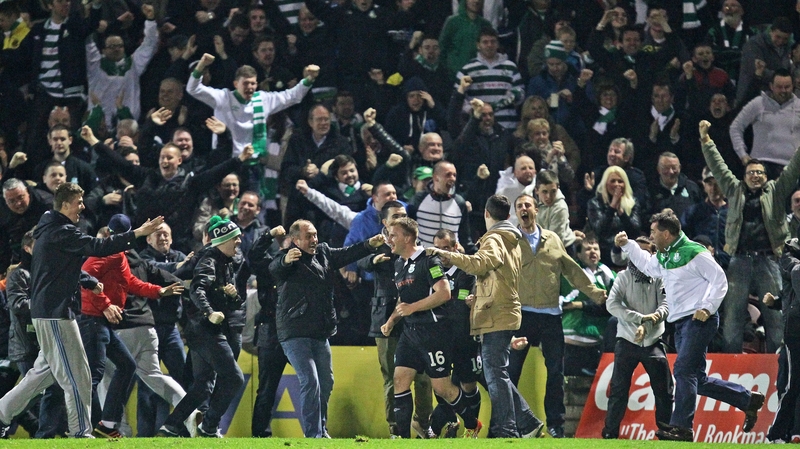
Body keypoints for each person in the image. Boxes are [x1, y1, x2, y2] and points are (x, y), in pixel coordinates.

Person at [0, 182, 163, 438]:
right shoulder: (61, 231)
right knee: (78, 378)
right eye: (79, 202)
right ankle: (80, 434)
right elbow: (97, 247)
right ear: (65, 204)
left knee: (43, 374)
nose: (83, 207)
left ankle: (1, 413)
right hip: (56, 314)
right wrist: (138, 232)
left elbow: (63, 267)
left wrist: (90, 282)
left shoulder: (49, 227)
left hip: (52, 312)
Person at [615, 209, 765, 441]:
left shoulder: (695, 252)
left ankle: (682, 427)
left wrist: (707, 307)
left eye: (654, 232)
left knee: (683, 370)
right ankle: (746, 399)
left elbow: (720, 279)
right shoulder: (666, 255)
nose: (651, 237)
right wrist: (628, 245)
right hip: (681, 324)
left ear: (666, 233)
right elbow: (647, 265)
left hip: (698, 320)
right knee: (697, 379)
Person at [427, 194, 544, 438]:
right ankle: (527, 422)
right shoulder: (511, 238)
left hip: (497, 313)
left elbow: (482, 263)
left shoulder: (494, 238)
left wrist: (449, 256)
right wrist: (478, 297)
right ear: (509, 215)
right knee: (496, 373)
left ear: (486, 215)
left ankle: (506, 430)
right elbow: (497, 276)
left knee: (495, 376)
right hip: (501, 308)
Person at [269, 220, 384, 438]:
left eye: (315, 235)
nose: (314, 239)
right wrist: (285, 259)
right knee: (309, 380)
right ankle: (313, 435)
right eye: (308, 236)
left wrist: (369, 244)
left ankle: (320, 429)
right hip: (294, 331)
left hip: (320, 332)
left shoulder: (323, 252)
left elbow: (348, 253)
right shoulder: (288, 257)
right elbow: (274, 268)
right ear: (295, 240)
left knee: (326, 382)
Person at [79, 214, 185, 437]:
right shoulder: (110, 253)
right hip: (94, 320)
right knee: (94, 376)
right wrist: (106, 304)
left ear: (108, 232)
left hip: (106, 323)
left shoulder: (118, 255)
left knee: (121, 368)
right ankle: (83, 429)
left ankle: (106, 426)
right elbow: (85, 276)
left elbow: (132, 283)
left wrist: (159, 291)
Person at [509, 194, 606, 438]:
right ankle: (510, 422)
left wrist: (593, 292)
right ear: (514, 213)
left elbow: (572, 269)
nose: (524, 209)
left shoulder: (551, 239)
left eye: (527, 205)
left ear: (536, 210)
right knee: (510, 373)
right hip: (521, 315)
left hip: (551, 316)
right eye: (519, 206)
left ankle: (556, 425)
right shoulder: (509, 240)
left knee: (555, 373)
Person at [700, 119, 800, 353]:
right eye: (751, 172)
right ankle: (730, 362)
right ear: (744, 175)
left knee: (776, 314)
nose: (755, 175)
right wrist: (706, 141)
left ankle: (779, 360)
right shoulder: (734, 190)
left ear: (766, 176)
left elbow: (794, 167)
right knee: (733, 315)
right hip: (739, 260)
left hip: (770, 260)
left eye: (759, 172)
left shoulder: (776, 190)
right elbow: (718, 167)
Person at [380, 218, 482, 439]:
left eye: (393, 235)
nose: (390, 239)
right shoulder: (399, 264)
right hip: (410, 332)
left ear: (407, 237)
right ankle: (403, 440)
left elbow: (444, 293)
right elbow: (402, 301)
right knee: (400, 379)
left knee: (442, 388)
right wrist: (391, 321)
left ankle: (473, 423)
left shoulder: (429, 260)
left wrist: (413, 308)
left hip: (433, 331)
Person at [158, 215, 246, 438]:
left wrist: (233, 297)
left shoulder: (224, 262)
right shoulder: (210, 260)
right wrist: (209, 312)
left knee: (202, 386)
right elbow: (198, 289)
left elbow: (226, 298)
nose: (239, 241)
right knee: (234, 378)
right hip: (205, 330)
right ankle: (208, 427)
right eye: (235, 237)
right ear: (223, 239)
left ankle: (170, 426)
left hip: (200, 330)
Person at [358, 202, 433, 438]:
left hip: (415, 317)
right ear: (385, 222)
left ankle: (423, 424)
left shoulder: (414, 244)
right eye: (397, 216)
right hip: (385, 317)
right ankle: (396, 429)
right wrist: (373, 261)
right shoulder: (377, 244)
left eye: (404, 215)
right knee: (391, 376)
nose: (402, 218)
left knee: (423, 376)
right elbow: (358, 260)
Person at [603, 236, 673, 439]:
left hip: (653, 341)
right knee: (618, 391)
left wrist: (650, 321)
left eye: (646, 252)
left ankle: (665, 434)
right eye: (636, 252)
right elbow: (611, 304)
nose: (640, 257)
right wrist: (640, 319)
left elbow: (667, 305)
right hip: (626, 339)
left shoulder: (660, 277)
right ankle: (610, 435)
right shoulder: (623, 277)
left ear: (652, 255)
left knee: (665, 393)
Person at [187, 53, 318, 157]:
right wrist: (201, 65)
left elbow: (292, 96)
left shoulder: (262, 99)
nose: (250, 87)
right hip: (226, 160)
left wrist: (309, 79)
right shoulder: (223, 97)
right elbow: (193, 89)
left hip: (253, 162)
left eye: (253, 83)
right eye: (245, 83)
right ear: (235, 84)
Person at [584, 166, 642, 267]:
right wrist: (612, 208)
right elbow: (599, 229)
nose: (617, 184)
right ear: (605, 183)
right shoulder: (595, 203)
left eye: (620, 181)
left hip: (627, 254)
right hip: (604, 253)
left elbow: (636, 230)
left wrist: (621, 213)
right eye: (613, 181)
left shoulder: (633, 202)